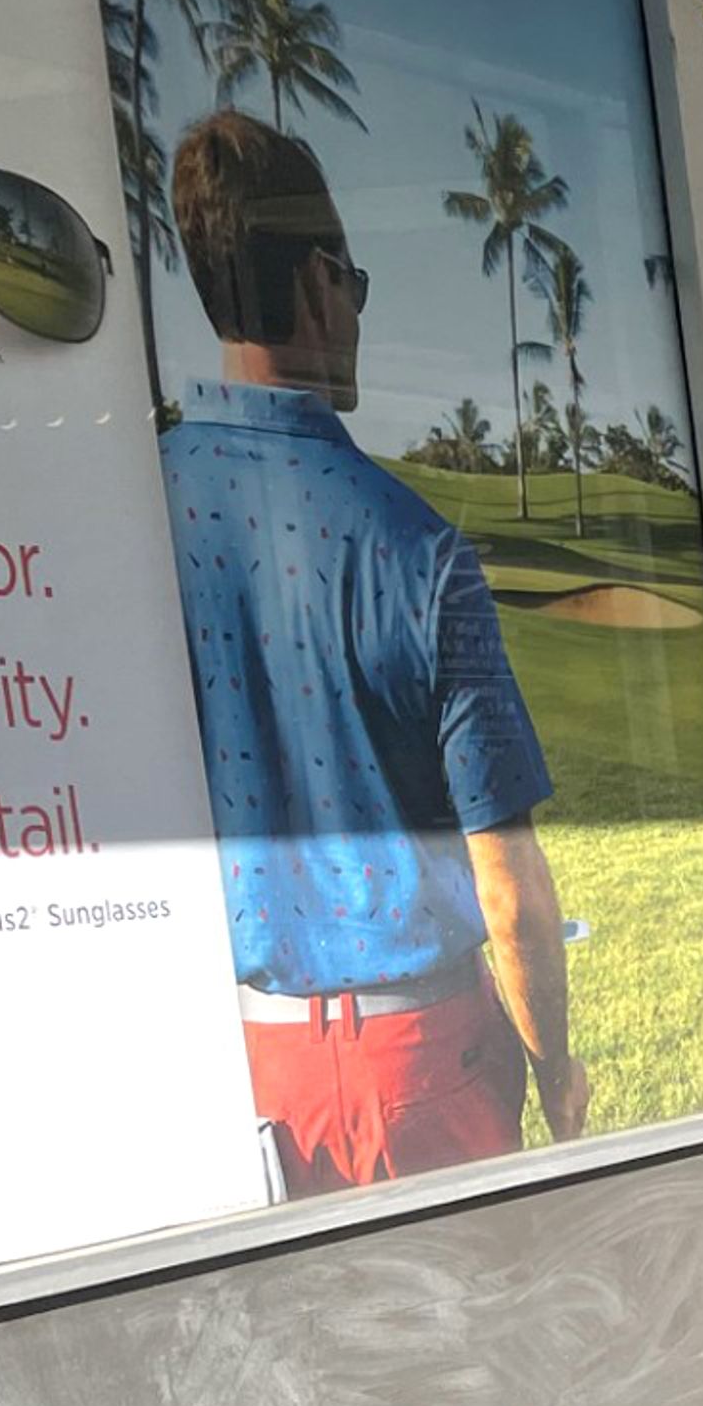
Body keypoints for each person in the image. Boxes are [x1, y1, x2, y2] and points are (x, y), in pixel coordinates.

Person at [159, 111, 582, 1195]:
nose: (353, 307)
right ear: (314, 282)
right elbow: (507, 883)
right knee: (467, 1353)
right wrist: (555, 1067)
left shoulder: (137, 509)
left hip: (233, 1066)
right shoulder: (412, 546)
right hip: (422, 1061)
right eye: (353, 278)